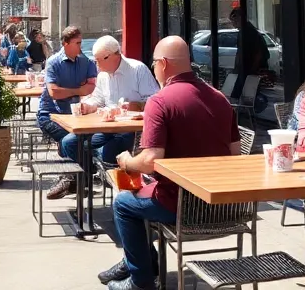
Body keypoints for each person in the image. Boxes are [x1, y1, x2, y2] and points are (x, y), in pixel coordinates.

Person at [97, 36, 240, 290]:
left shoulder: (160, 101)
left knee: (122, 203)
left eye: (154, 64)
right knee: (138, 191)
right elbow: (235, 156)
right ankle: (136, 262)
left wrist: (128, 161)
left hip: (179, 205)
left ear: (163, 63)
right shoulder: (221, 99)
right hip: (222, 206)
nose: (153, 69)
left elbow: (151, 160)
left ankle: (141, 281)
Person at [60, 35, 160, 193]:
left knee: (104, 152)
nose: (97, 65)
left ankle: (92, 173)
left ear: (115, 55)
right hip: (106, 126)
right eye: (95, 60)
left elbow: (155, 101)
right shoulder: (103, 75)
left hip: (131, 130)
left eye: (100, 60)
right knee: (69, 143)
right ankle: (87, 178)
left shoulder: (137, 69)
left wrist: (135, 105)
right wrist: (87, 106)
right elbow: (98, 99)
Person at [38, 26, 98, 199]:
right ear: (65, 43)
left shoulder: (86, 62)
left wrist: (71, 91)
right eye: (77, 43)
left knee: (74, 141)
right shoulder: (54, 62)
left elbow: (91, 88)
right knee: (70, 140)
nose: (80, 46)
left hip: (76, 116)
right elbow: (54, 92)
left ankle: (72, 179)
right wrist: (77, 89)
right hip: (49, 114)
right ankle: (85, 172)